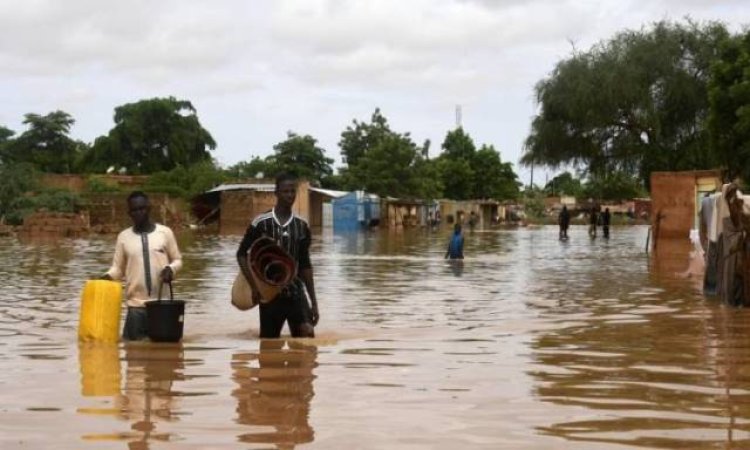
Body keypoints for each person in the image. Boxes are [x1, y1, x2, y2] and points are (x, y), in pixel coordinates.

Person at [236, 173, 320, 338]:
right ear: (276, 193)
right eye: (285, 191)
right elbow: (241, 254)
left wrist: (314, 302)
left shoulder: (301, 226)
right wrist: (254, 287)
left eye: (292, 191)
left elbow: (305, 265)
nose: (290, 195)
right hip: (269, 295)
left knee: (307, 340)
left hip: (295, 292)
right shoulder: (261, 223)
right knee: (268, 346)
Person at [101, 191, 183, 341]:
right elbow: (118, 269)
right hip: (135, 307)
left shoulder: (165, 233)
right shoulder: (123, 237)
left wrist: (170, 269)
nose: (138, 213)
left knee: (164, 359)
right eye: (134, 210)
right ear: (129, 213)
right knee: (133, 355)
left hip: (162, 307)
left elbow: (177, 260)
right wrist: (106, 277)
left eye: (142, 208)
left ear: (149, 209)